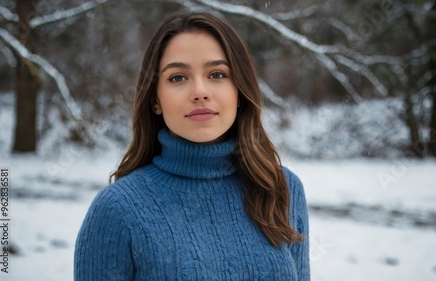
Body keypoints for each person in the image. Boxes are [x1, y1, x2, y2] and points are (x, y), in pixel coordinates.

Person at [74, 11, 309, 280]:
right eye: (177, 77)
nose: (200, 91)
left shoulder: (281, 188)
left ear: (240, 92)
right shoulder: (117, 209)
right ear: (155, 100)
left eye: (217, 74)